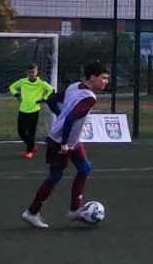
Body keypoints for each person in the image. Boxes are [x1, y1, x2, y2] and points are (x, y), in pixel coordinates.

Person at [23, 59, 112, 228]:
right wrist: (64, 143)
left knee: (85, 169)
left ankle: (74, 210)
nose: (106, 81)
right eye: (104, 78)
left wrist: (60, 114)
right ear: (93, 77)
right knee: (54, 177)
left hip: (72, 141)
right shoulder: (89, 98)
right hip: (61, 141)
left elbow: (51, 100)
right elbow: (70, 119)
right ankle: (31, 212)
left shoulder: (74, 86)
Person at [8, 62, 55, 159]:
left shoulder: (41, 83)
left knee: (31, 132)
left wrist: (44, 99)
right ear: (27, 72)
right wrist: (17, 95)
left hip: (34, 110)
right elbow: (12, 87)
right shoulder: (22, 81)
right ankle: (32, 145)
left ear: (37, 72)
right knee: (21, 131)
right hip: (23, 110)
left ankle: (29, 151)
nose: (31, 74)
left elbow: (51, 90)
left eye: (33, 72)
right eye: (29, 72)